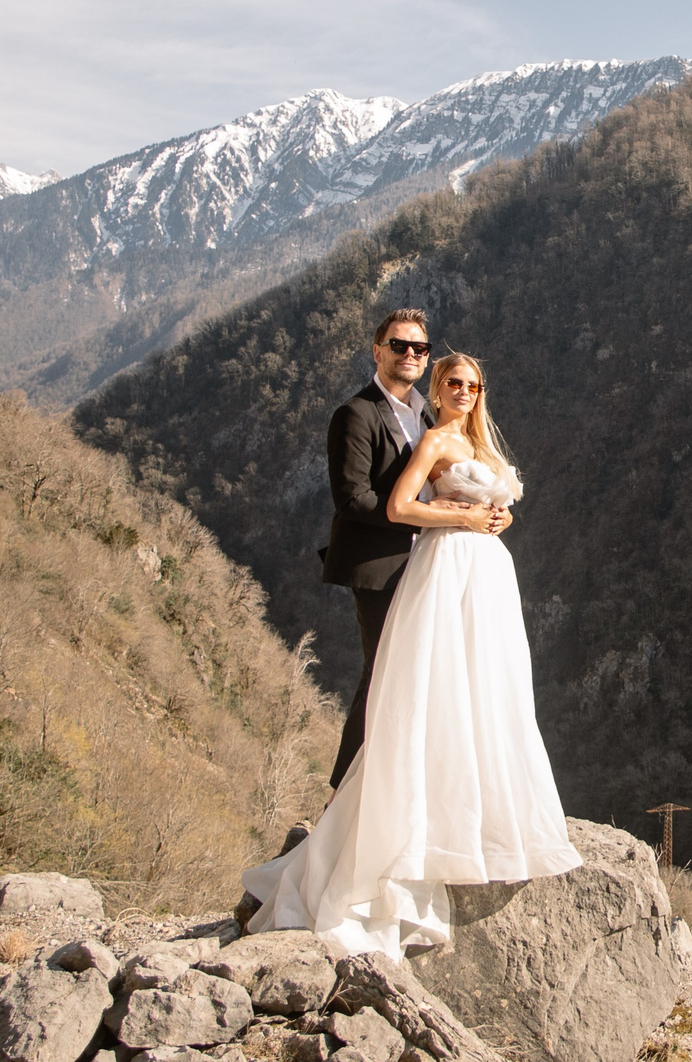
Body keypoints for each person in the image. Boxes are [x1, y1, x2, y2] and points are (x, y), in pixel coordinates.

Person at [243, 352, 582, 958]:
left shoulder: (480, 441)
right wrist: (458, 514)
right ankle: (412, 833)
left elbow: (492, 504)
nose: (463, 392)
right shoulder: (433, 440)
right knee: (441, 688)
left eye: (473, 385)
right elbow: (399, 507)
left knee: (490, 686)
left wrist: (496, 516)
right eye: (453, 383)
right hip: (448, 564)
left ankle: (487, 812)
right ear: (437, 387)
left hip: (487, 573)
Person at [317, 309, 503, 789]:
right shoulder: (355, 414)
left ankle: (419, 792)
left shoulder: (429, 412)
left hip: (437, 563)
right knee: (383, 675)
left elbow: (453, 477)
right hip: (381, 564)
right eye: (398, 346)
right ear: (377, 352)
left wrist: (487, 513)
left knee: (431, 674)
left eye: (419, 348)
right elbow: (353, 498)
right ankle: (344, 798)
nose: (409, 355)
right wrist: (436, 516)